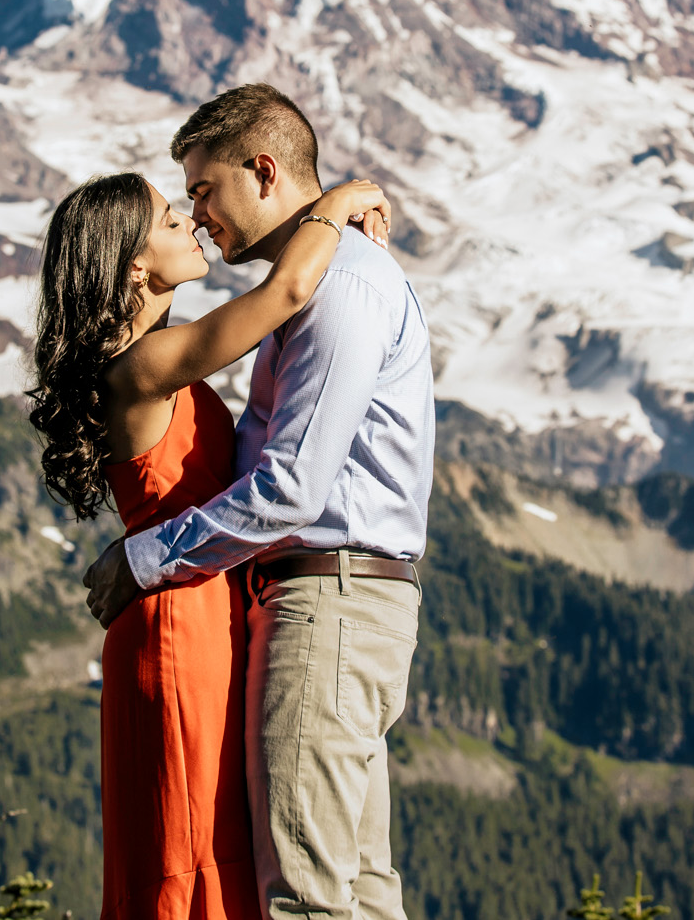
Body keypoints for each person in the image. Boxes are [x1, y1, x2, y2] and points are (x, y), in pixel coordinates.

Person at [82, 84, 436, 920]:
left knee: (310, 898)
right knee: (353, 888)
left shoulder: (335, 286)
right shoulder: (299, 286)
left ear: (264, 170)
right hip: (314, 604)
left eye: (202, 191)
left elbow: (291, 487)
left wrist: (140, 558)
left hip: (325, 604)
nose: (198, 216)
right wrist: (337, 202)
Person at [28, 160, 392, 920]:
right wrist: (336, 203)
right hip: (176, 626)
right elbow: (285, 293)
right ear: (135, 268)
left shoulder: (152, 363)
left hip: (198, 611)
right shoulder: (144, 367)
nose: (189, 222)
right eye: (169, 220)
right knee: (190, 847)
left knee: (211, 839)